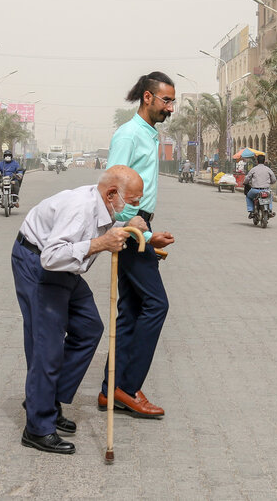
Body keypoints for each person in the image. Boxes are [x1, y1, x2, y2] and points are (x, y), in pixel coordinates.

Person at [13, 165, 144, 455]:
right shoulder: (79, 208)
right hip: (39, 264)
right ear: (112, 193)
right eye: (132, 201)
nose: (134, 207)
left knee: (88, 328)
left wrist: (140, 234)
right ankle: (38, 427)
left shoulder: (102, 206)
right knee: (47, 346)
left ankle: (44, 398)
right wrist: (101, 243)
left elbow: (104, 232)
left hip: (65, 269)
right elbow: (51, 257)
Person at [100, 72, 176, 419]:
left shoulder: (149, 132)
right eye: (166, 101)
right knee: (156, 305)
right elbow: (110, 186)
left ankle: (111, 390)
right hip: (128, 228)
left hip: (141, 226)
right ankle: (127, 388)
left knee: (130, 311)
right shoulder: (129, 134)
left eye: (172, 101)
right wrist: (133, 229)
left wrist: (149, 232)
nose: (170, 108)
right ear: (148, 97)